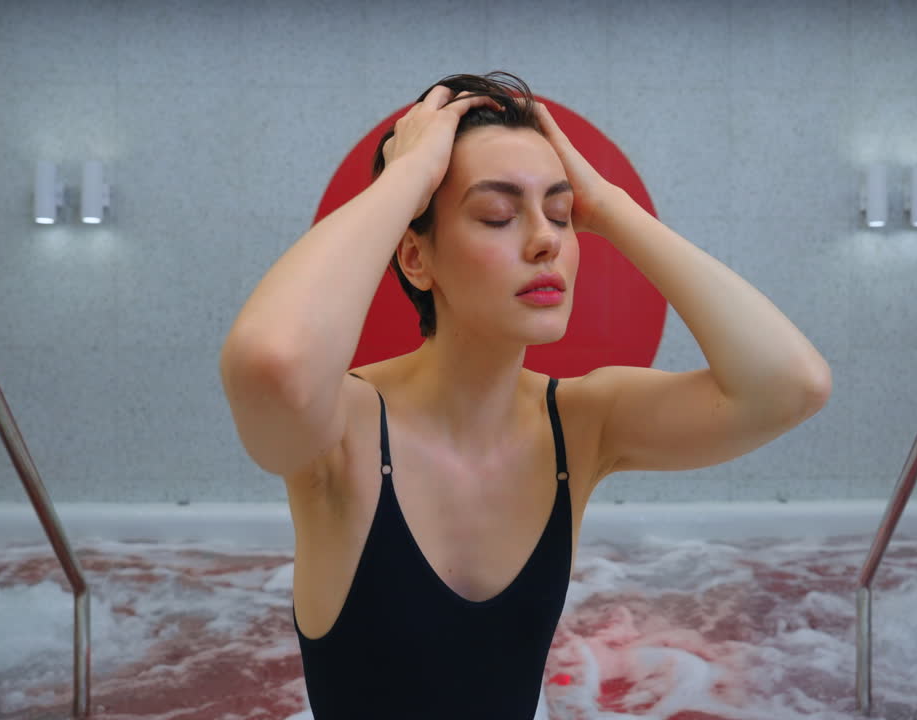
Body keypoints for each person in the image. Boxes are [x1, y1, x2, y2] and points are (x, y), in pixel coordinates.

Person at [219, 71, 832, 719]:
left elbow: (790, 386)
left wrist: (610, 207)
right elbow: (272, 362)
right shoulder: (344, 430)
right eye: (498, 215)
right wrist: (408, 175)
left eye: (561, 214)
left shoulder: (581, 422)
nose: (546, 240)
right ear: (415, 258)